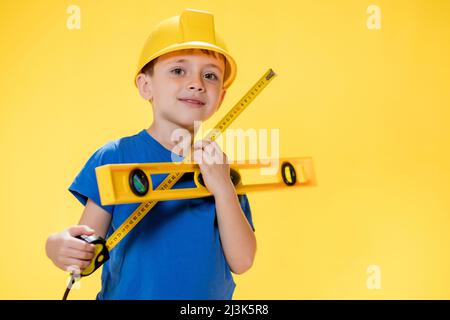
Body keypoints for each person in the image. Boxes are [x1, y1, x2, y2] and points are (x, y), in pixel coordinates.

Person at [45, 8, 257, 300]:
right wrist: (57, 246)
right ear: (146, 86)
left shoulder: (220, 169)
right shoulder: (115, 157)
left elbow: (242, 261)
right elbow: (88, 250)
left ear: (220, 97)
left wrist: (223, 190)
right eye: (178, 70)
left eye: (210, 75)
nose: (196, 83)